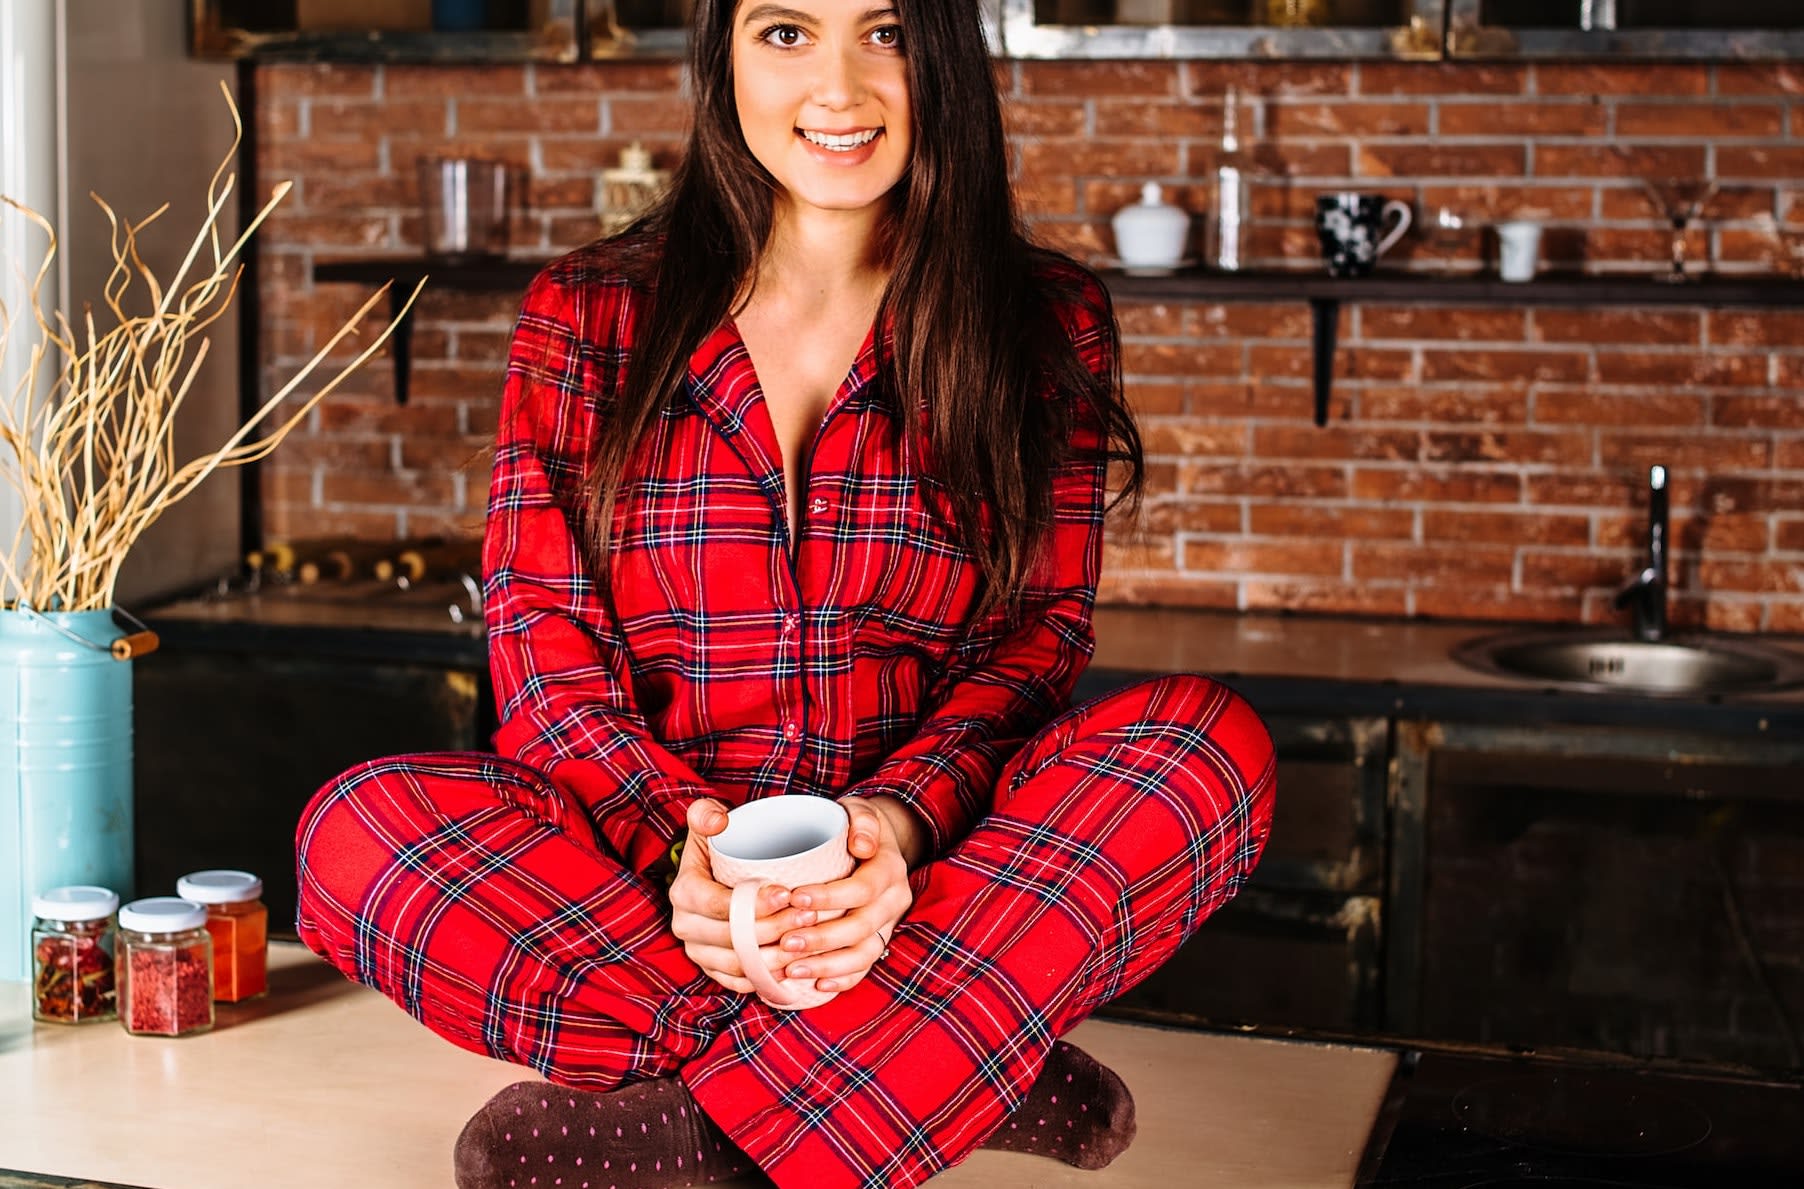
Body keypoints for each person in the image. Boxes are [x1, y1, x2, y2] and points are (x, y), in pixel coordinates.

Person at [293, 0, 1275, 1183]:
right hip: (649, 898)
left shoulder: (1044, 319)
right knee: (354, 836)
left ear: (942, 55)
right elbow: (540, 637)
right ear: (725, 54)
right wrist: (682, 858)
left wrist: (892, 830)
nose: (841, 88)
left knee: (1206, 749)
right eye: (786, 31)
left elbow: (1031, 641)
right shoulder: (588, 311)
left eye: (887, 32)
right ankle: (948, 1065)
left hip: (917, 893)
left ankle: (731, 1114)